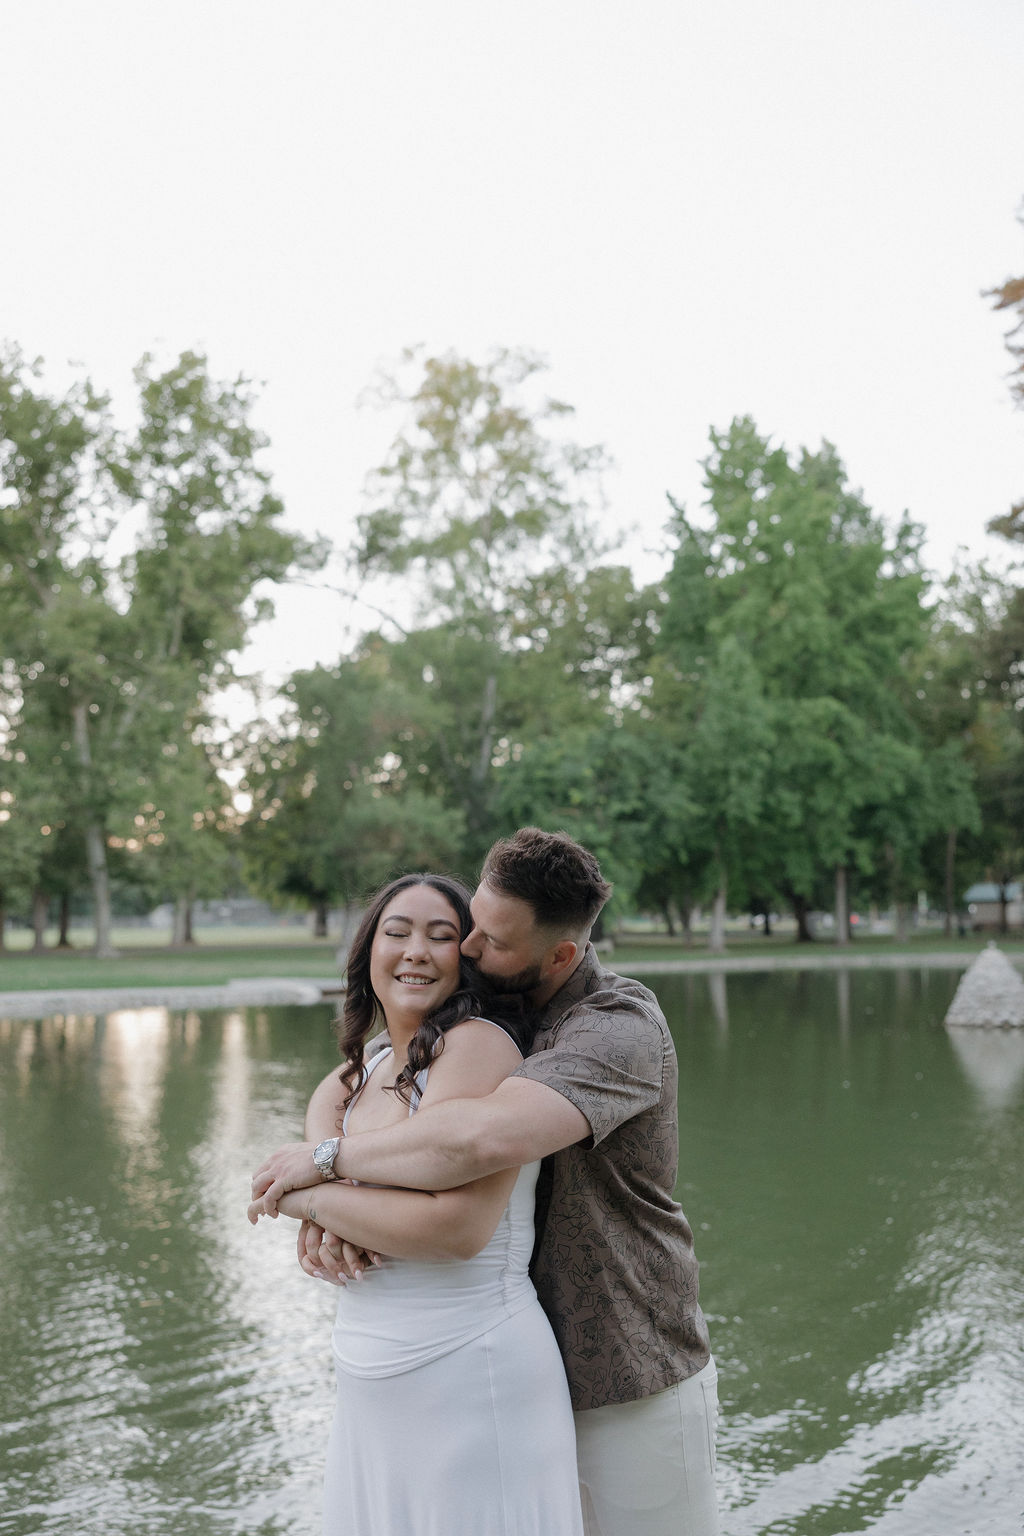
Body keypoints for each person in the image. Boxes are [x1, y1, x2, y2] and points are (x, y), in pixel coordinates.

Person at [253, 828, 721, 1536]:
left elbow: (472, 1143)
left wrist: (316, 1181)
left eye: (482, 940)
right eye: (466, 926)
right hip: (512, 1359)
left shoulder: (613, 1029)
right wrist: (327, 1201)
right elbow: (353, 1113)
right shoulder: (409, 1052)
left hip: (626, 1373)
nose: (465, 949)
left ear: (559, 954)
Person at [248, 871, 585, 1536]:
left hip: (469, 1369)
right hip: (369, 1378)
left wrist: (310, 1200)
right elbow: (326, 1184)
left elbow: (455, 1228)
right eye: (396, 932)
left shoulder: (480, 1046)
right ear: (367, 950)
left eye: (441, 936)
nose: (415, 951)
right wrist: (320, 1201)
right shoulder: (355, 1075)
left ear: (468, 958)